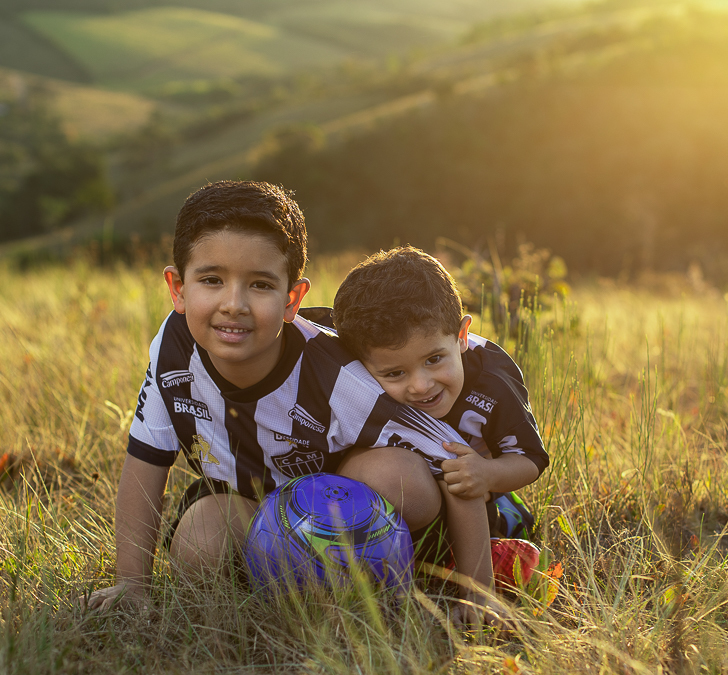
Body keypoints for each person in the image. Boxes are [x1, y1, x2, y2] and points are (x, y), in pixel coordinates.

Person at [86, 182, 487, 621]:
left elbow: (457, 466)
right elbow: (145, 461)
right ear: (178, 288)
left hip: (345, 507)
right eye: (212, 280)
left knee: (399, 477)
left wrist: (477, 590)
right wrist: (132, 583)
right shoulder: (172, 349)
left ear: (292, 299)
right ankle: (272, 583)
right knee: (197, 546)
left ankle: (401, 572)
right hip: (250, 506)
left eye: (260, 284)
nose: (233, 304)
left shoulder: (338, 378)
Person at [332, 246, 549, 601]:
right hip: (412, 494)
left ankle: (495, 536)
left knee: (498, 524)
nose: (420, 385)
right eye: (395, 372)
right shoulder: (352, 384)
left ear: (461, 335)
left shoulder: (494, 382)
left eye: (434, 359)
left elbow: (530, 458)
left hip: (480, 499)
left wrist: (487, 474)